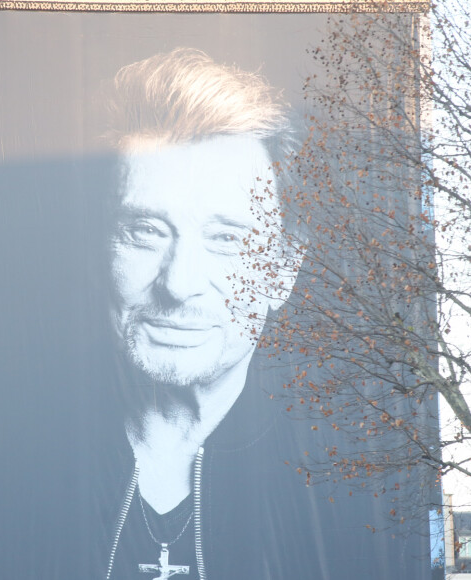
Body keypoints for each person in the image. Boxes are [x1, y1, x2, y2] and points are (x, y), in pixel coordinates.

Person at [92, 48, 430, 580]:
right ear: (99, 243)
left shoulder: (352, 495)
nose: (178, 285)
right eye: (145, 232)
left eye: (227, 239)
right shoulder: (5, 472)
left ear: (283, 268)